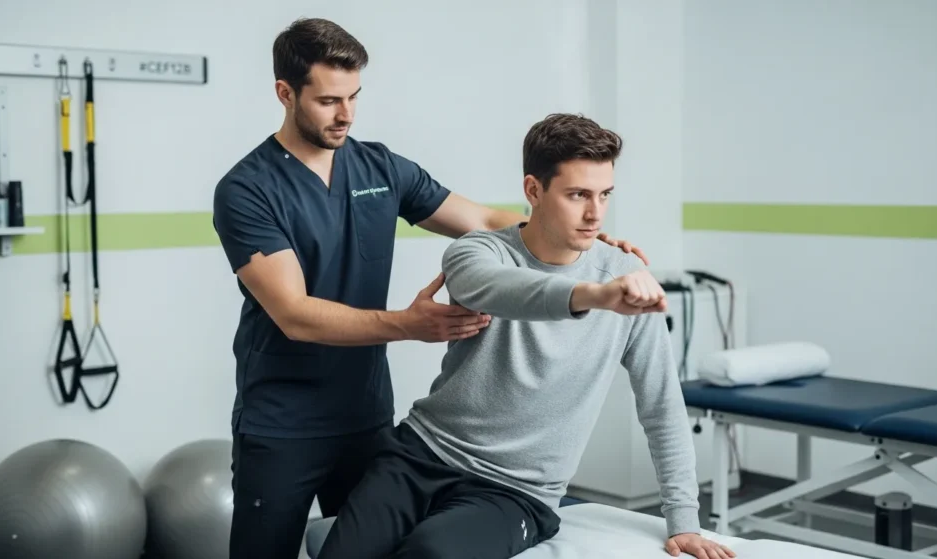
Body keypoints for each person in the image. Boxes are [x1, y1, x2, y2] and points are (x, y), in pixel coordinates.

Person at [211, 18, 647, 559]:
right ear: (285, 93)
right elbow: (294, 314)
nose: (346, 114)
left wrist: (581, 240)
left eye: (354, 96)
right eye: (328, 101)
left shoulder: (380, 167)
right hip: (282, 423)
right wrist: (409, 325)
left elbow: (486, 218)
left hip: (366, 416)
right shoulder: (246, 189)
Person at [316, 113, 739, 559]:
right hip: (419, 454)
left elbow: (661, 405)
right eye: (578, 195)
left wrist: (684, 520)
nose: (595, 213)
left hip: (516, 490)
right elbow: (505, 290)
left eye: (604, 195)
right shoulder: (478, 252)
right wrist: (592, 295)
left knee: (431, 553)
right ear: (533, 190)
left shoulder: (625, 277)